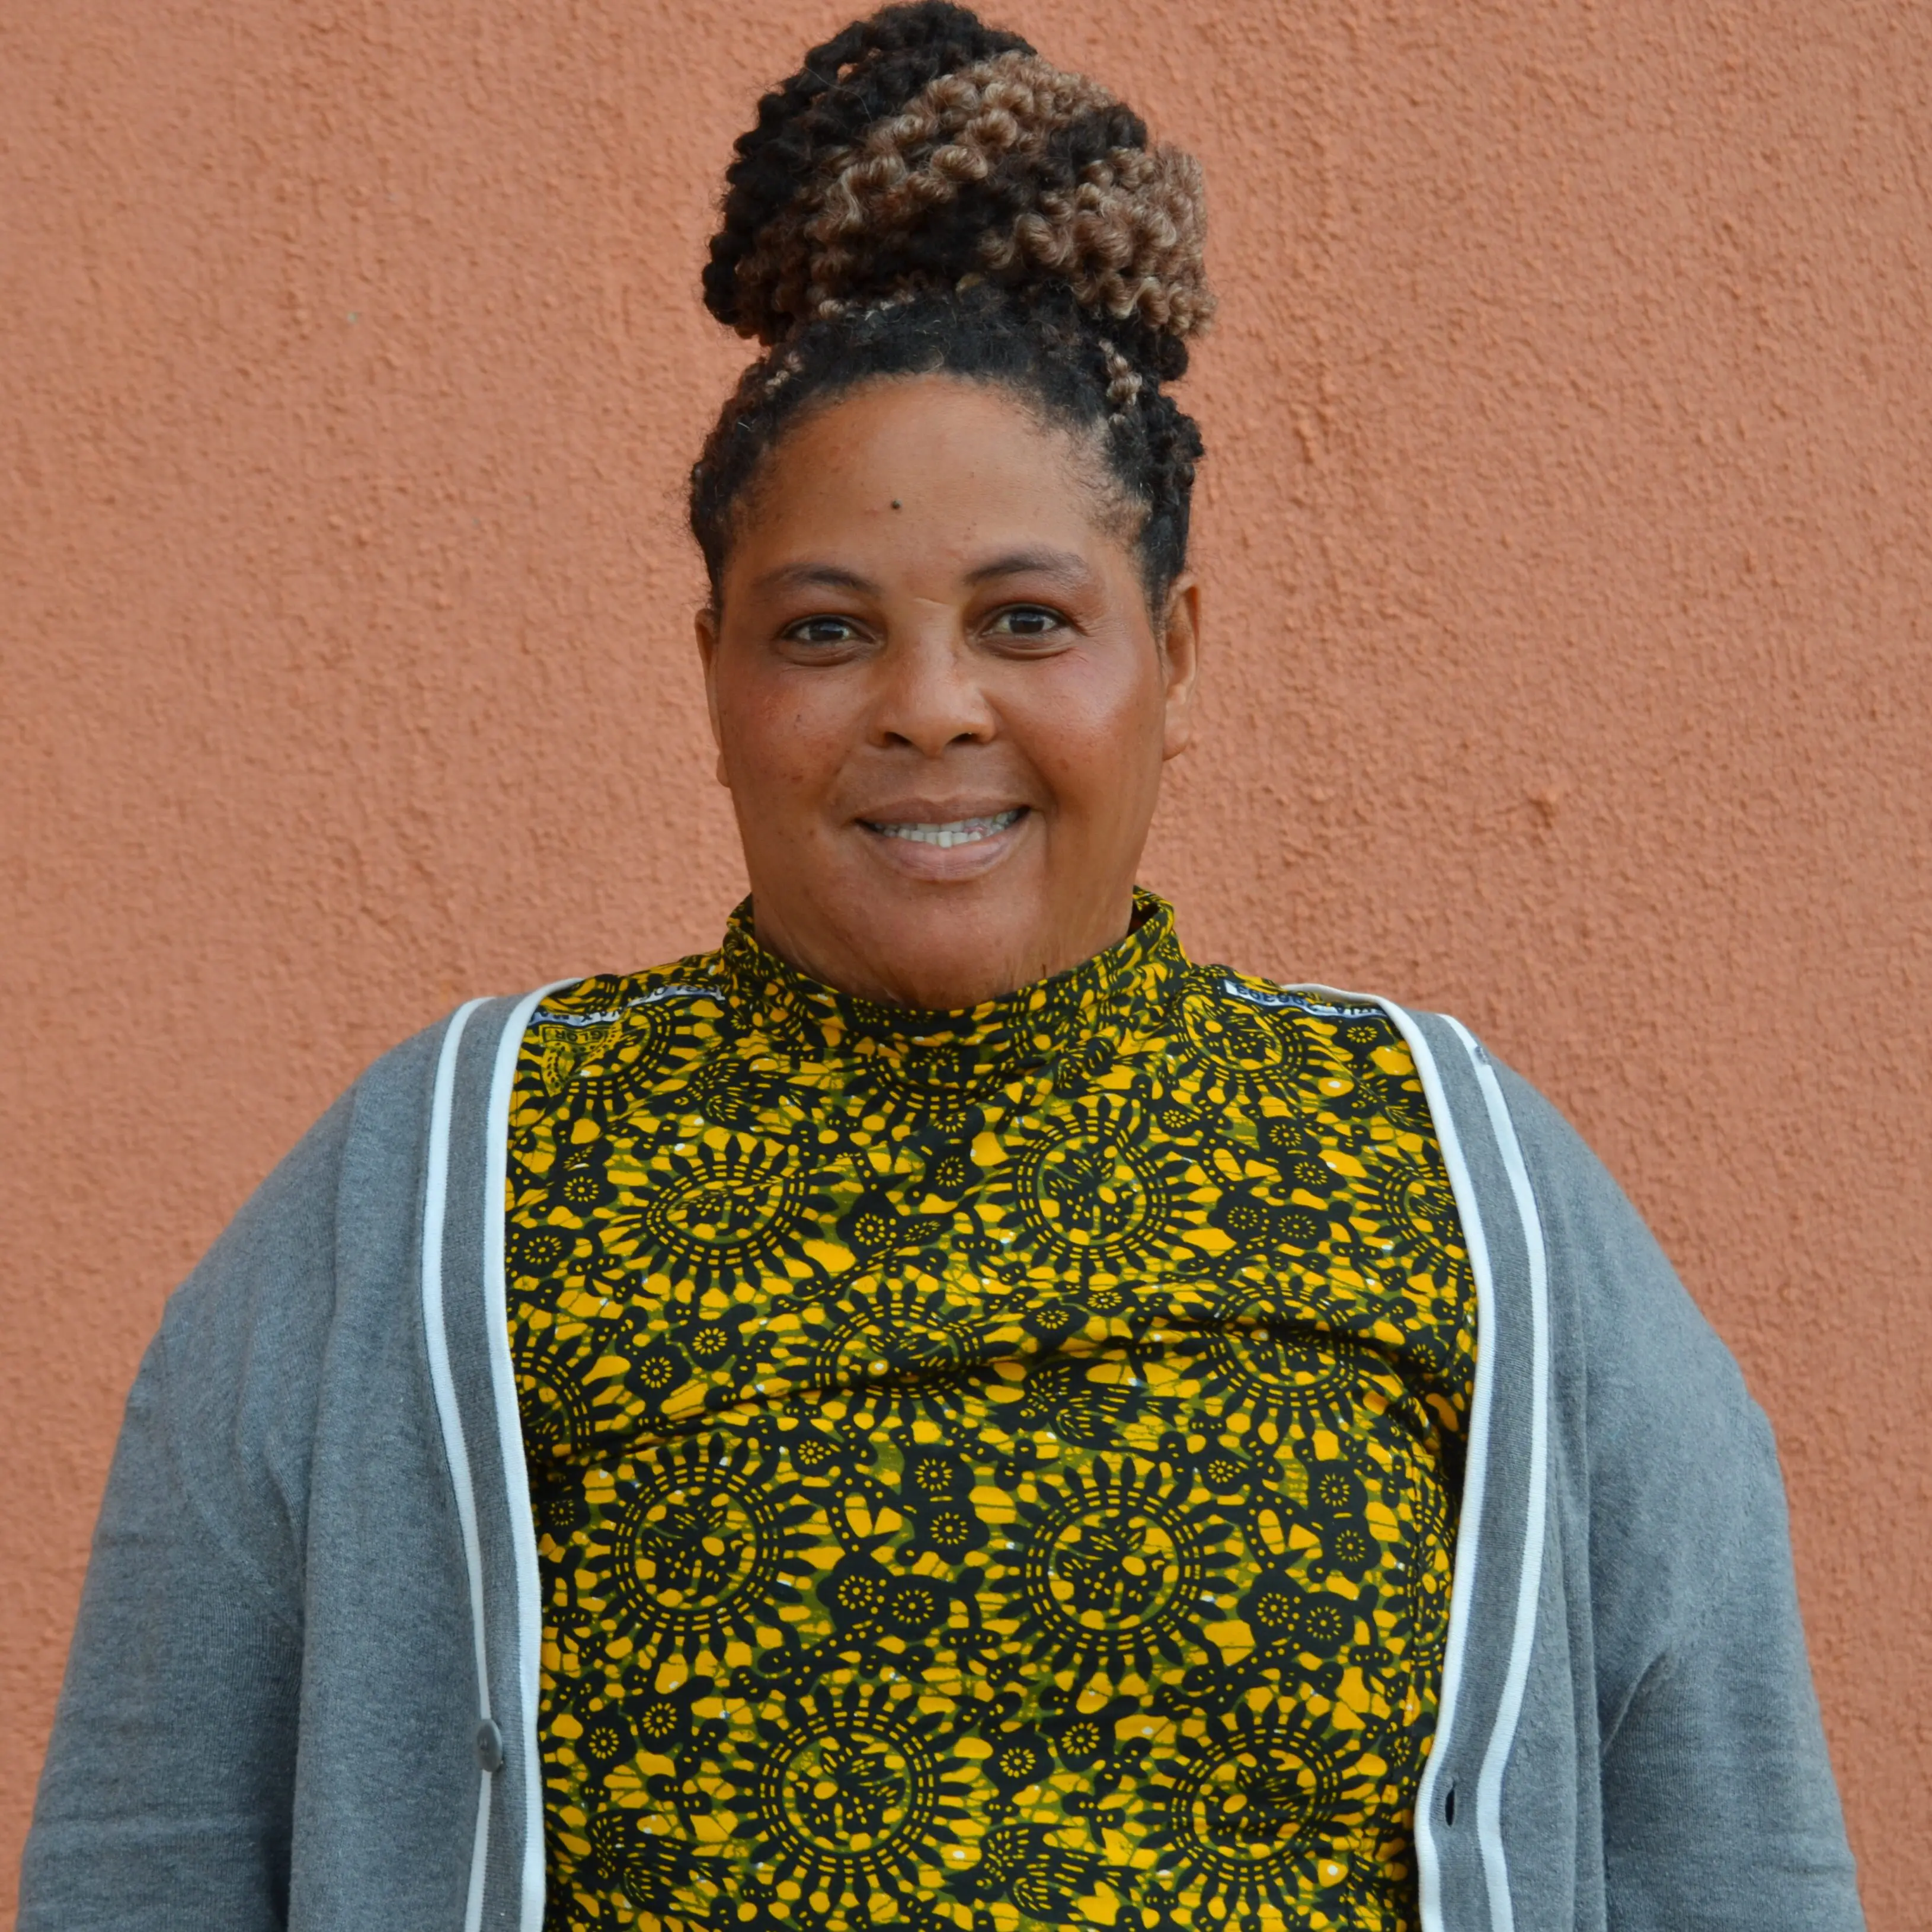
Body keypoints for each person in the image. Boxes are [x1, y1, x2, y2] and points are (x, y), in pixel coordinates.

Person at [19, 6, 1863, 1930]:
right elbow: (142, 1862)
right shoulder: (437, 1189)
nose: (927, 708)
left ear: (1176, 653)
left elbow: (1729, 1857)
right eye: (825, 632)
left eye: (1027, 618)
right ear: (714, 673)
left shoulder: (1446, 1179)